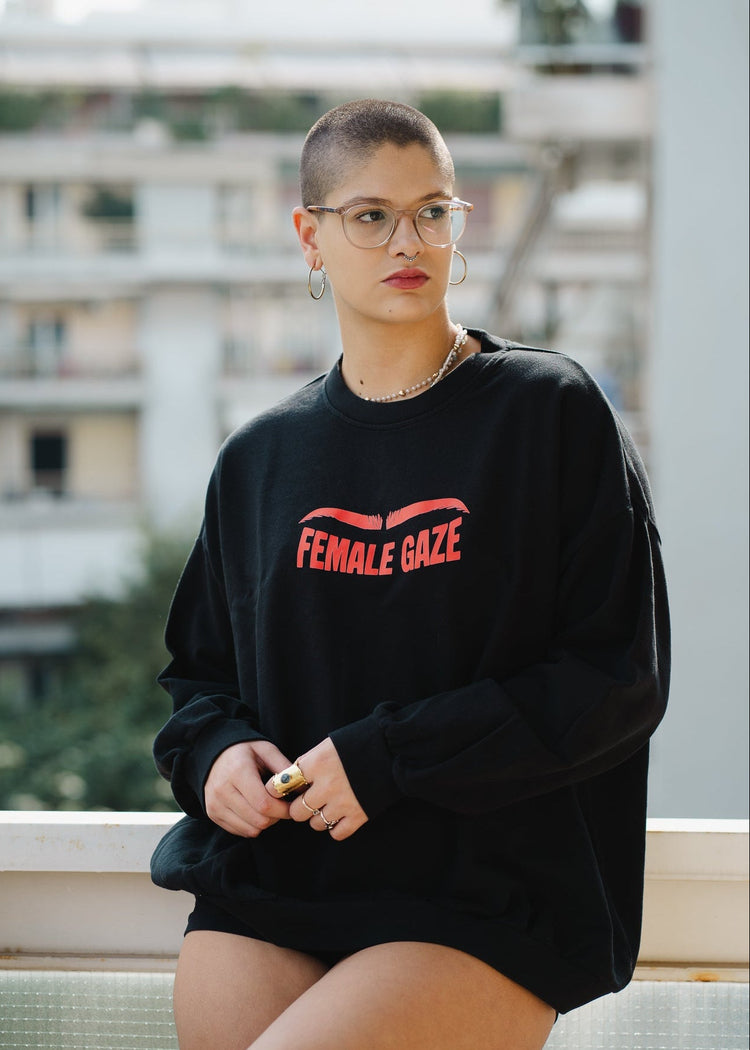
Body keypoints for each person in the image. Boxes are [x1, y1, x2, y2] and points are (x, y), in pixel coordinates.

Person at [150, 99, 670, 1050]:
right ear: (310, 235)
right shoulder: (262, 459)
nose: (409, 240)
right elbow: (199, 680)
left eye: (434, 211)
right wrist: (216, 754)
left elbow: (615, 678)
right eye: (370, 215)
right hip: (282, 883)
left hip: (481, 898)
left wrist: (389, 758)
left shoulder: (546, 413)